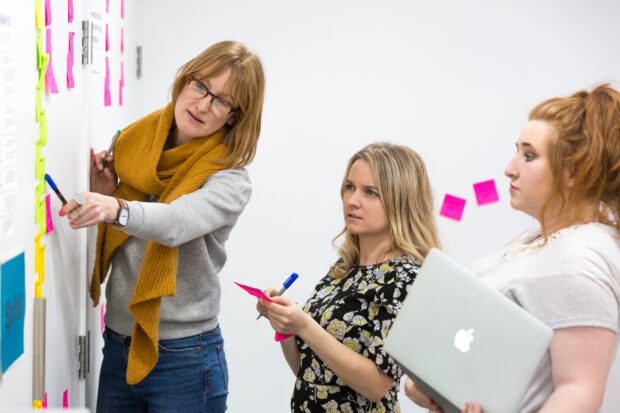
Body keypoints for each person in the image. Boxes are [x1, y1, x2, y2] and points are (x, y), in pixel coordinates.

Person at [59, 40, 265, 412]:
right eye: (201, 85)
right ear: (186, 80)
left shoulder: (230, 178)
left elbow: (174, 223)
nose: (203, 104)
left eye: (222, 101)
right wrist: (109, 189)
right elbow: (132, 217)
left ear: (233, 117)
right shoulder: (136, 143)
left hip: (185, 356)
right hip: (118, 342)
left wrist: (116, 206)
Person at [405, 84, 620, 413]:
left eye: (529, 156)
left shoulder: (581, 259)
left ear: (573, 172)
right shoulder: (537, 238)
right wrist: (427, 382)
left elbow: (579, 391)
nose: (510, 168)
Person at [257, 142, 442, 412]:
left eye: (371, 192)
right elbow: (308, 372)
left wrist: (304, 325)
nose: (352, 200)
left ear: (401, 200)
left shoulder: (406, 278)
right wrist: (284, 325)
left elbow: (376, 386)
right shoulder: (344, 268)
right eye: (350, 187)